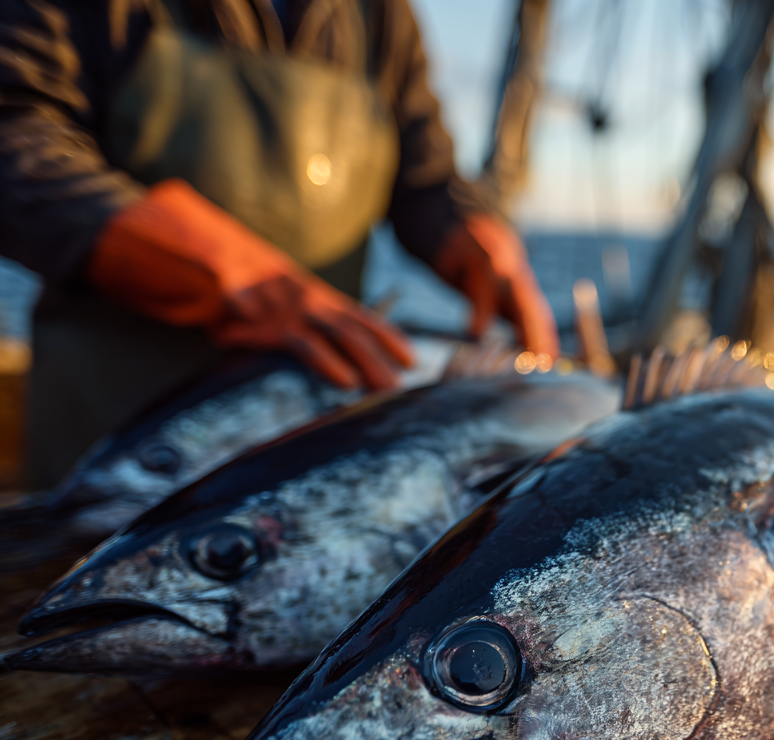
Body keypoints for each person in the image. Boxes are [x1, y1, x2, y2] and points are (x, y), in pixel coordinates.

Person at [0, 0, 560, 487]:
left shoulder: (379, 11)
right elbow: (15, 132)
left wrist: (470, 233)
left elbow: (424, 175)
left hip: (313, 455)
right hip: (109, 438)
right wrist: (226, 271)